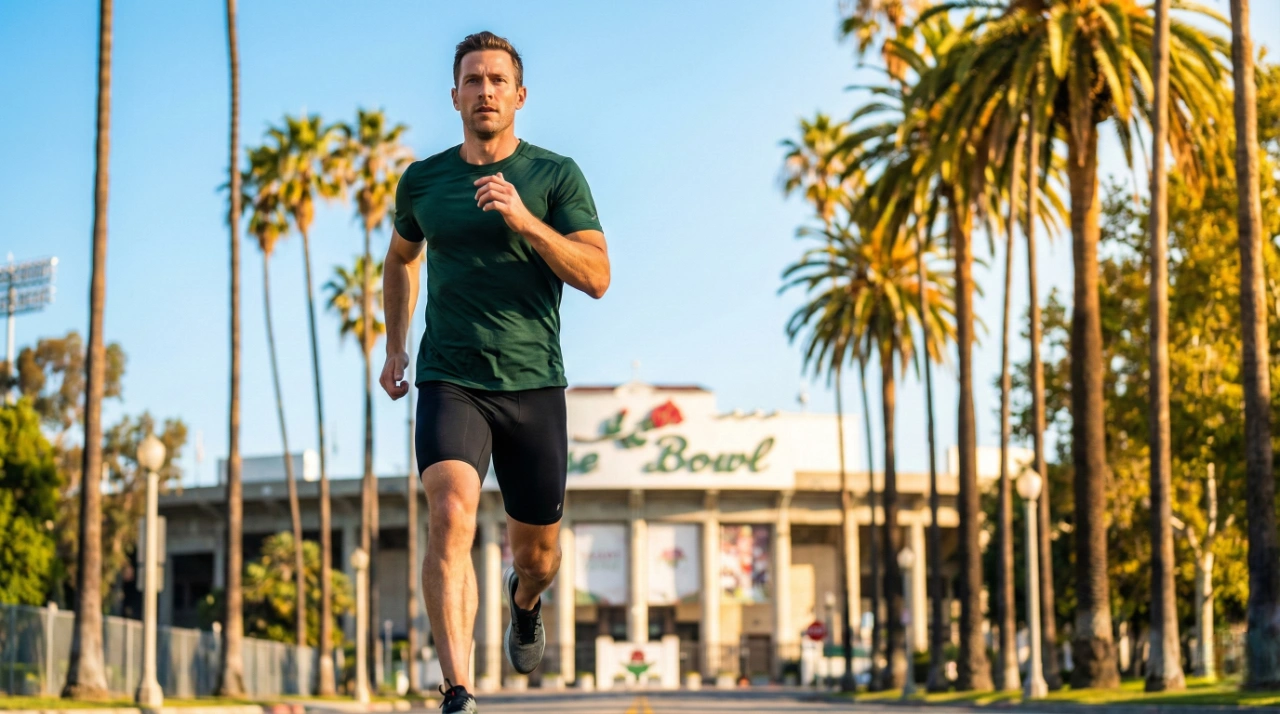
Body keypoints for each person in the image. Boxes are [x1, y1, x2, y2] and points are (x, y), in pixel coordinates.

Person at [380, 30, 610, 714]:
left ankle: (524, 601)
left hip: (534, 383)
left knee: (537, 555)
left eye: (496, 80)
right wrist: (396, 344)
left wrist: (526, 222)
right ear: (454, 96)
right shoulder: (424, 181)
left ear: (519, 95)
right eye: (472, 80)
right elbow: (400, 259)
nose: (485, 91)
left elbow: (597, 275)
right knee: (450, 514)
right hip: (450, 377)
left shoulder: (554, 176)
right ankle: (458, 691)